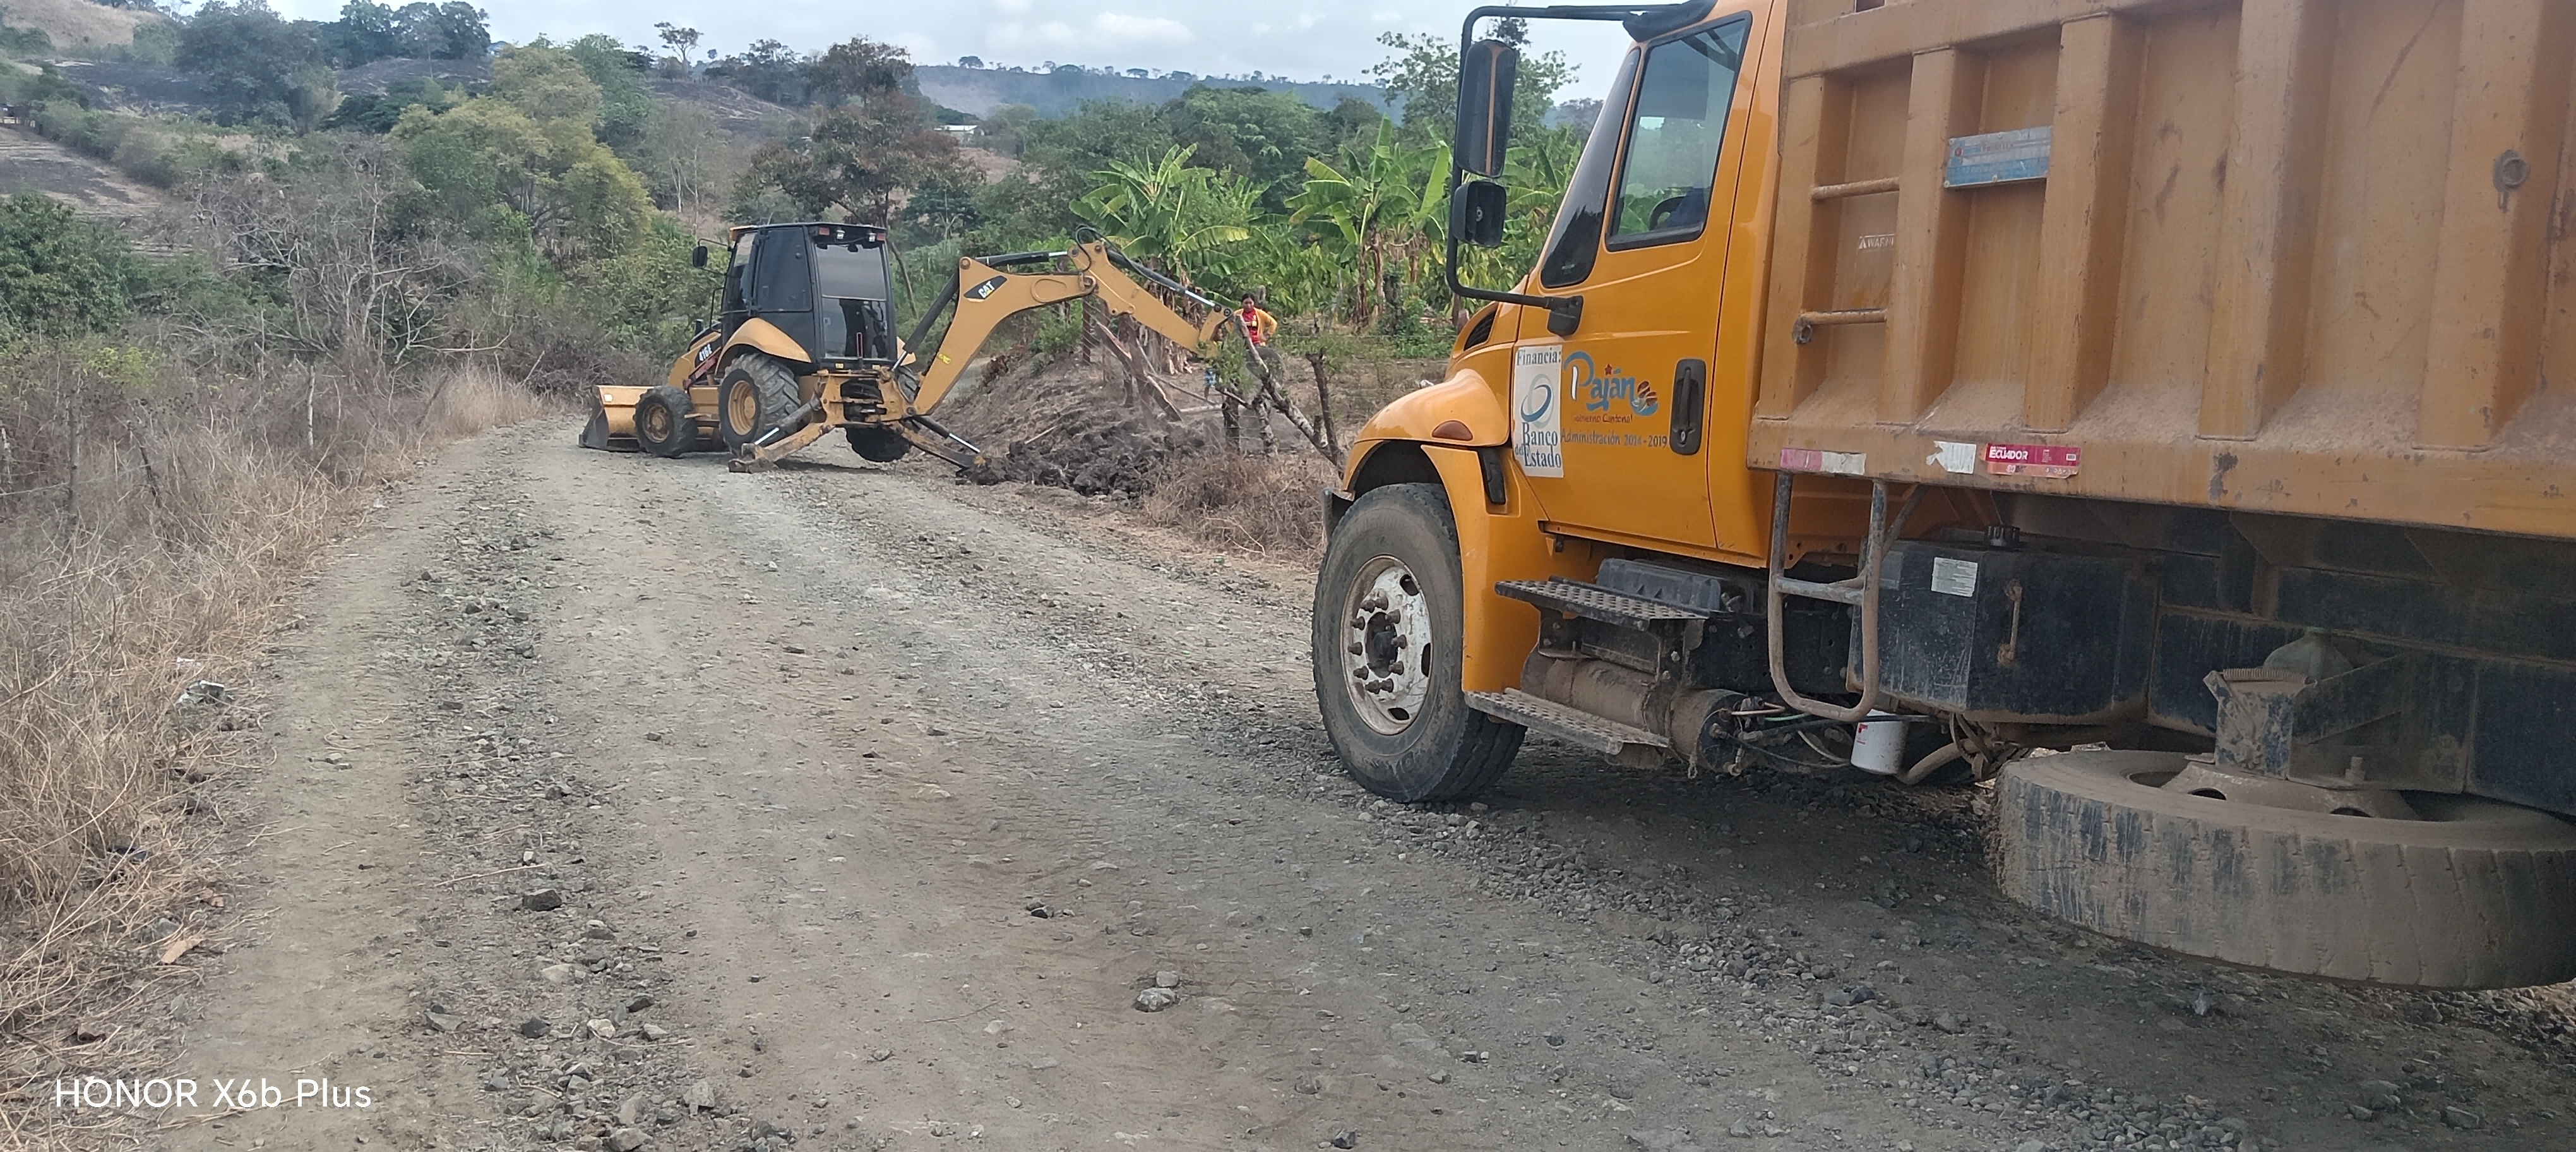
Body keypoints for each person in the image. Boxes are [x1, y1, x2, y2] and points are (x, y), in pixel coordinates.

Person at [1236, 296, 1279, 374]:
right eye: (1246, 303)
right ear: (1242, 304)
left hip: (1257, 344)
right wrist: (1234, 333)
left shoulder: (1259, 313)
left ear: (1254, 303)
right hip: (1242, 345)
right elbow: (1228, 323)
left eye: (1250, 303)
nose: (1248, 306)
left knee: (1261, 363)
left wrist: (1267, 336)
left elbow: (1273, 323)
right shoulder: (1238, 314)